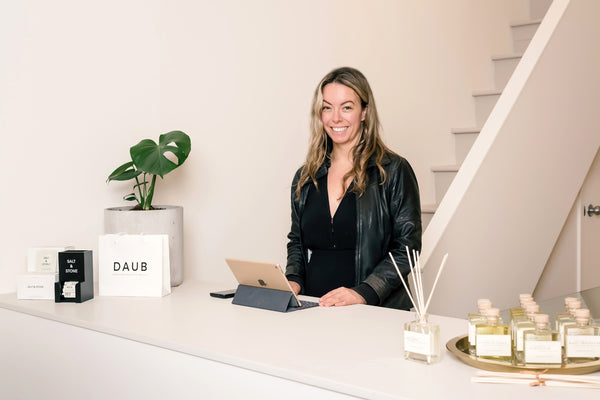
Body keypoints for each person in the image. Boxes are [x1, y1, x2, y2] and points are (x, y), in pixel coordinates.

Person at [285, 66, 422, 309]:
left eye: (346, 107)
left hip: (373, 312)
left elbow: (407, 248)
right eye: (327, 107)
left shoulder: (393, 170)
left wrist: (364, 292)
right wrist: (293, 280)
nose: (336, 117)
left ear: (364, 112)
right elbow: (296, 242)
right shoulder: (306, 177)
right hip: (315, 309)